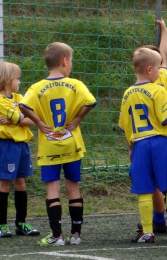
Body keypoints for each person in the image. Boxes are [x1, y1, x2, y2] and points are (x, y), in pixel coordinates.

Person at [19, 42, 97, 246]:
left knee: (52, 189)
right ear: (65, 61)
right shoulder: (76, 84)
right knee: (73, 187)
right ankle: (76, 234)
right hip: (72, 143)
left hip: (50, 146)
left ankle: (57, 236)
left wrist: (39, 123)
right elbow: (90, 102)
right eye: (70, 61)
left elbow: (23, 105)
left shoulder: (37, 87)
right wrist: (78, 119)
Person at [118, 47, 167, 243]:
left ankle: (147, 232)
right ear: (150, 69)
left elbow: (126, 126)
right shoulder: (158, 90)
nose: (160, 72)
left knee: (144, 189)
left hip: (140, 144)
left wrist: (131, 148)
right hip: (161, 143)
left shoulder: (128, 94)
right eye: (160, 68)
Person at [137, 19, 167, 233]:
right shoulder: (164, 76)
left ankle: (158, 220)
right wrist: (165, 31)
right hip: (166, 134)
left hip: (145, 138)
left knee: (152, 184)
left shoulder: (137, 89)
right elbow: (164, 53)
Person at [0, 61, 40, 238]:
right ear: (7, 80)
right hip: (6, 146)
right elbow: (18, 116)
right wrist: (18, 116)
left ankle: (21, 222)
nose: (19, 82)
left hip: (22, 146)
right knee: (4, 183)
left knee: (21, 183)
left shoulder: (18, 99)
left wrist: (16, 118)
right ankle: (1, 224)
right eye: (17, 79)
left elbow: (33, 119)